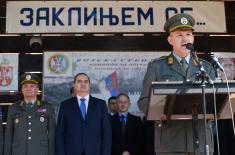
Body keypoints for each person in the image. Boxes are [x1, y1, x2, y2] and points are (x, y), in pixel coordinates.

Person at [138, 13, 216, 155]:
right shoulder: (156, 66)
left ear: (193, 38)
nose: (185, 38)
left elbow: (217, 102)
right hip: (170, 140)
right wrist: (166, 111)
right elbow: (143, 102)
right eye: (179, 35)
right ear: (170, 39)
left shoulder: (206, 67)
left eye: (188, 34)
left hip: (201, 142)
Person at [56, 73, 111, 155]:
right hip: (71, 152)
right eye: (79, 81)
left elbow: (106, 132)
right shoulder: (65, 105)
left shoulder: (100, 104)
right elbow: (60, 133)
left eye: (86, 81)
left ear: (89, 85)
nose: (83, 84)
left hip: (95, 151)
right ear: (74, 85)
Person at [4, 73, 56, 155]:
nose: (28, 88)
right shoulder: (13, 108)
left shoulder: (48, 107)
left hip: (41, 152)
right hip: (18, 152)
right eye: (25, 86)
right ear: (22, 90)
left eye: (32, 86)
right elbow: (8, 136)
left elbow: (52, 135)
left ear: (37, 89)